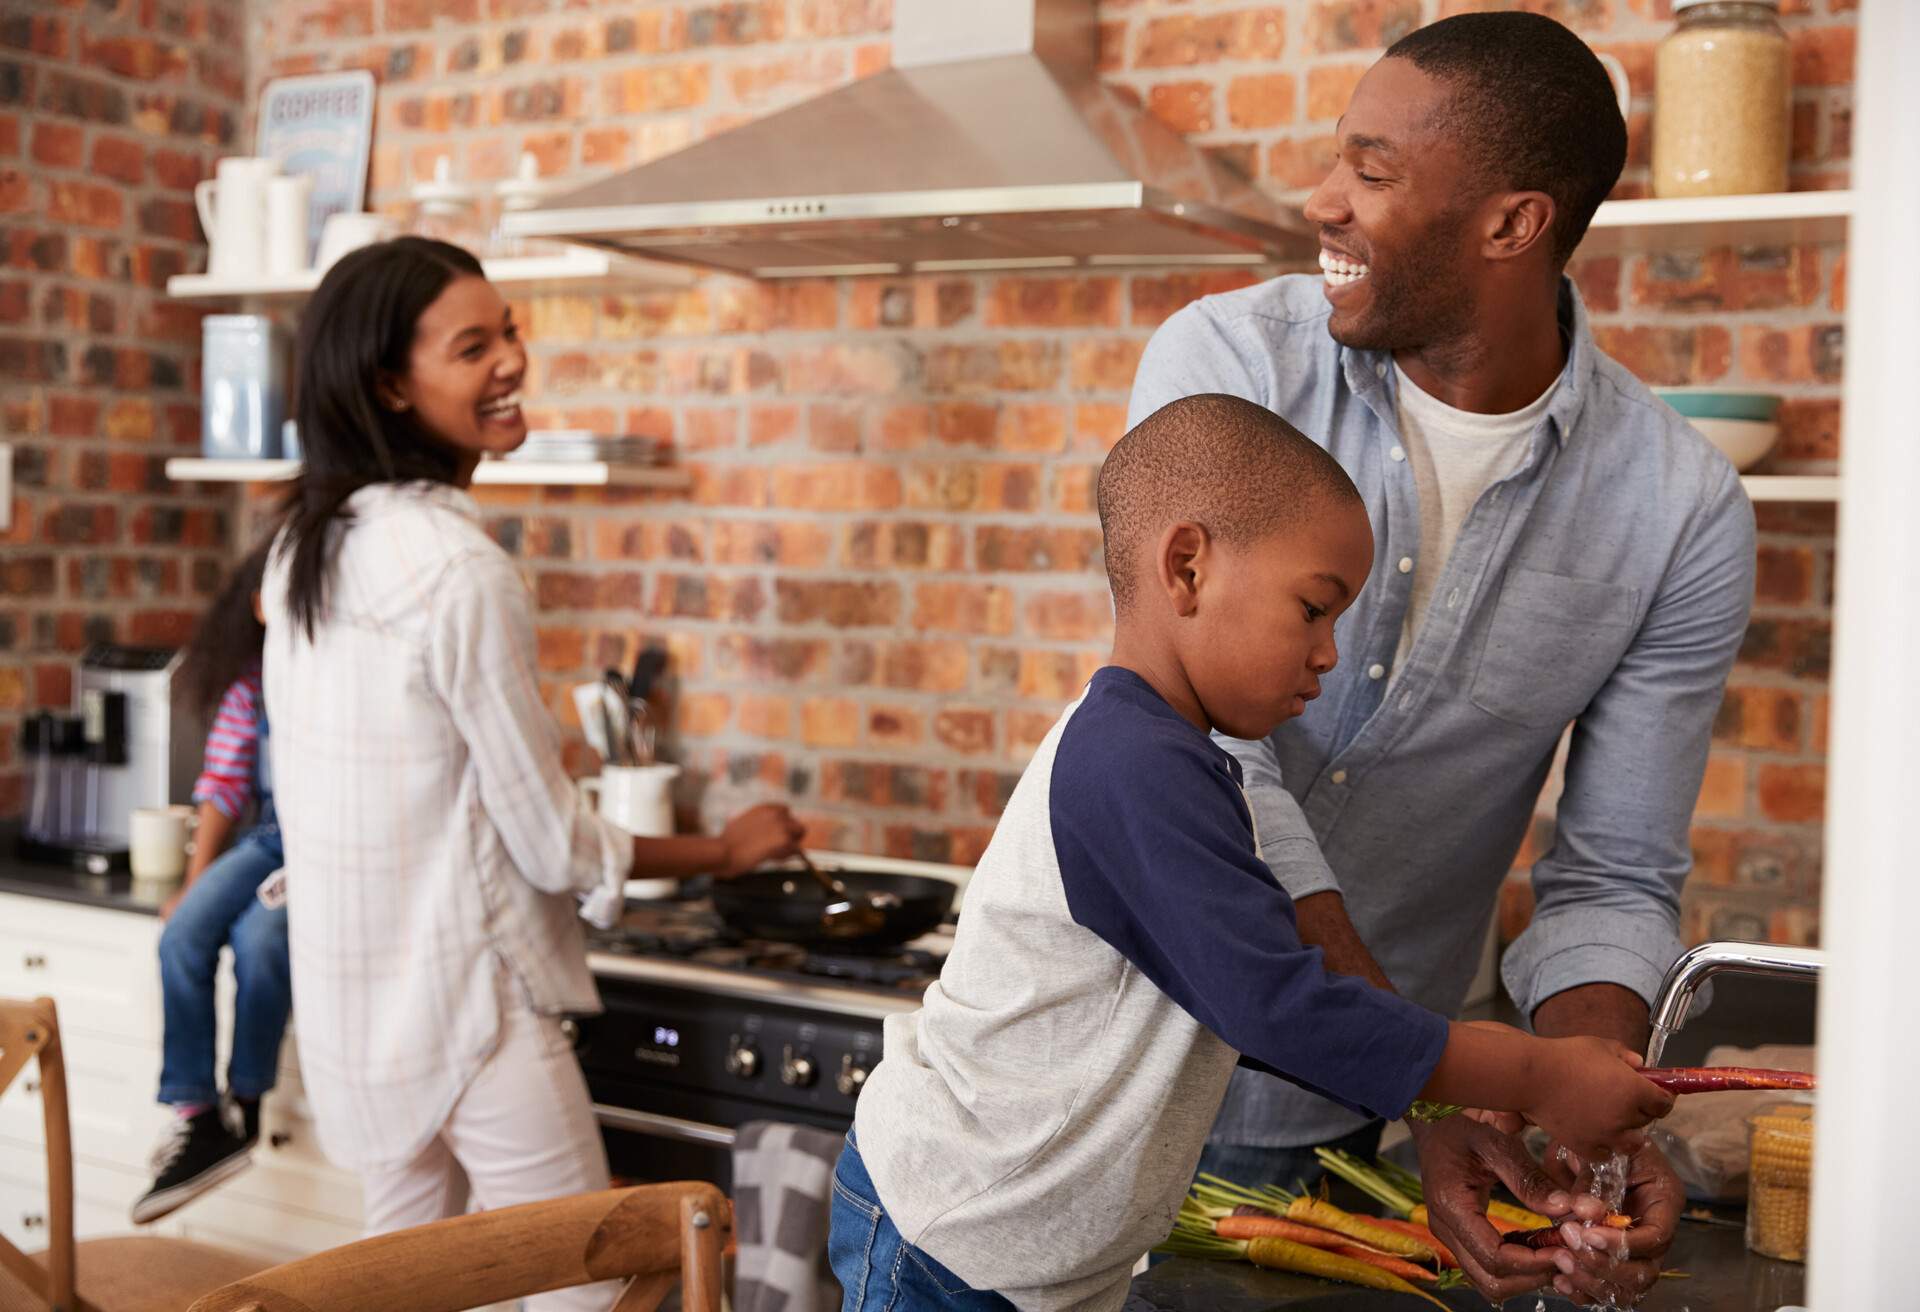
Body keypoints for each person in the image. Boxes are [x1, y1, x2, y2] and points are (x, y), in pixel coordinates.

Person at [1125, 13, 1755, 1307]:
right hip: (1124, 1087)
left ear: (1513, 224)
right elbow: (1205, 760)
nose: (1322, 200)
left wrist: (1580, 1120)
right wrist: (1432, 1071)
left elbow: (1613, 874)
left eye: (1371, 169)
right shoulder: (1231, 370)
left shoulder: (1678, 510)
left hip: (1372, 1136)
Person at [828, 394, 1674, 1312]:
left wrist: (1443, 1103)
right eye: (1314, 609)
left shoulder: (1180, 762)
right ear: (1186, 567)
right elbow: (1278, 1008)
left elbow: (1258, 990)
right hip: (948, 1241)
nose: (1329, 655)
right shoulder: (1131, 764)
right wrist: (1539, 1073)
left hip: (1031, 1256)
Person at [260, 236, 804, 1312]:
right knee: (597, 1289)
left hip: (357, 1016)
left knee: (399, 1295)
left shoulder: (304, 553)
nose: (511, 359)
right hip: (470, 1012)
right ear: (390, 385)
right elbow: (551, 841)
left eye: (510, 329)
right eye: (474, 346)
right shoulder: (461, 569)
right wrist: (725, 848)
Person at [130, 540, 289, 1225]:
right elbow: (223, 788)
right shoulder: (252, 688)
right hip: (271, 838)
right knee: (182, 937)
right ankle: (197, 1112)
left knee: (261, 941)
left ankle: (246, 1105)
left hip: (325, 847)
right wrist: (194, 885)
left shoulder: (339, 683)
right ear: (259, 605)